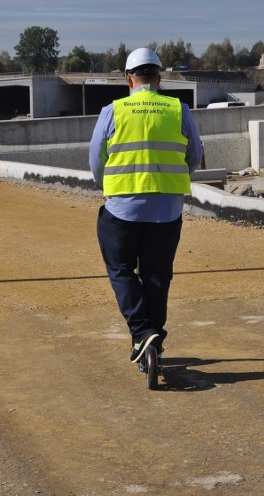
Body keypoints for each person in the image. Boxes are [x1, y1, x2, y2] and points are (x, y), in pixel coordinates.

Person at [89, 47, 203, 366]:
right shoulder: (178, 110)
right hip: (167, 211)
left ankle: (142, 332)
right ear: (159, 76)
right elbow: (194, 154)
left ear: (129, 79)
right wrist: (172, 183)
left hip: (122, 209)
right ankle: (152, 337)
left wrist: (109, 188)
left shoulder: (113, 111)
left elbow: (96, 159)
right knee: (157, 275)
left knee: (121, 268)